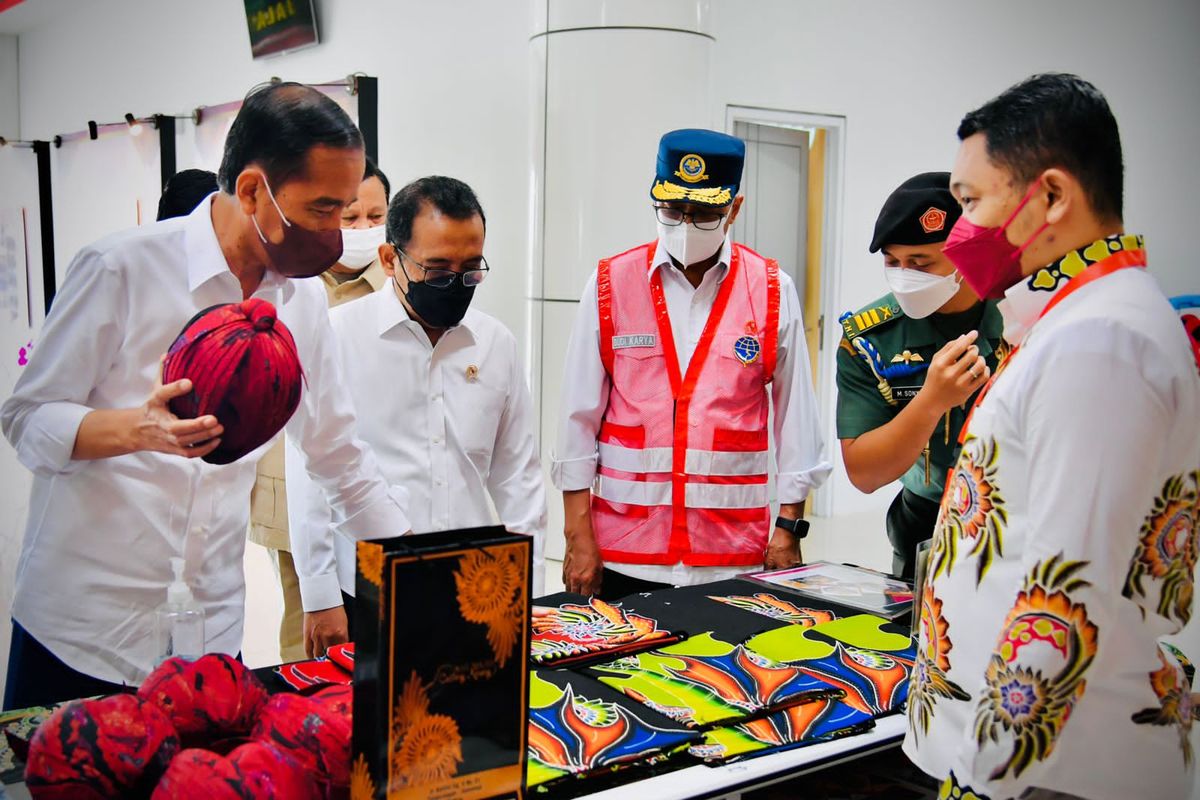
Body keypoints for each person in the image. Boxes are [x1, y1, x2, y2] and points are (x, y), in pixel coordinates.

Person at [0, 81, 411, 710]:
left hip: (209, 633)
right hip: (84, 634)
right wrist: (135, 430)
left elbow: (340, 459)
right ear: (253, 191)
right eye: (324, 210)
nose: (336, 234)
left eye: (350, 208)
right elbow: (27, 418)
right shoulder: (121, 269)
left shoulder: (299, 302)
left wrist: (427, 572)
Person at [904, 73, 1200, 800]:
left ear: (1052, 197)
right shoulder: (1078, 319)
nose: (960, 227)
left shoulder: (1101, 342)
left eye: (971, 201)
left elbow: (1064, 599)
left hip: (1055, 772)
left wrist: (984, 781)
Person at [552, 129, 831, 600]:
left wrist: (788, 528)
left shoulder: (770, 289)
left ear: (734, 209)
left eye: (703, 214)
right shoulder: (609, 283)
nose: (684, 225)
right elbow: (576, 420)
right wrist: (578, 537)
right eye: (672, 210)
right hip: (625, 550)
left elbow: (796, 421)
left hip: (731, 552)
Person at [287, 176, 547, 655]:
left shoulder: (496, 344)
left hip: (477, 584)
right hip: (369, 586)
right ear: (391, 261)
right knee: (372, 727)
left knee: (474, 723)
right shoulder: (337, 336)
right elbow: (310, 474)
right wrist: (320, 595)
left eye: (471, 270)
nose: (456, 284)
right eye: (438, 270)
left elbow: (518, 477)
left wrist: (532, 589)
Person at [248, 157, 391, 663]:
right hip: (287, 490)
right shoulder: (292, 286)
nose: (363, 230)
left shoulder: (397, 289)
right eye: (350, 218)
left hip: (367, 490)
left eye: (376, 217)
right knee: (305, 630)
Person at [836, 172, 1004, 579]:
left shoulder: (1020, 315)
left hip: (1015, 523)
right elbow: (864, 473)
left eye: (920, 262)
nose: (904, 275)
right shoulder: (871, 337)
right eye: (893, 262)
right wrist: (930, 402)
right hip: (923, 523)